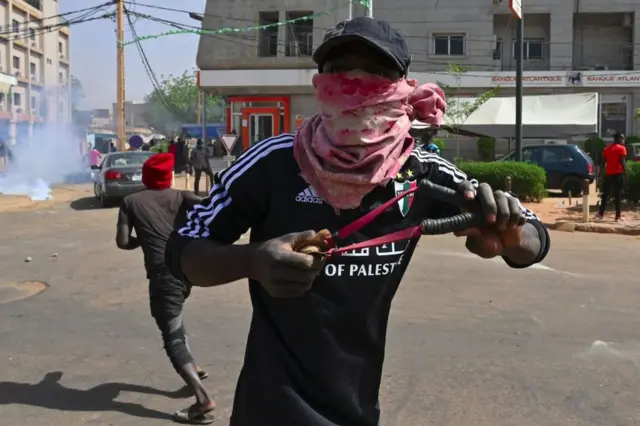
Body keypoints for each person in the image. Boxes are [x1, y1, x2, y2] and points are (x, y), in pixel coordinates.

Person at [165, 17, 550, 426]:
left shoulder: (422, 172)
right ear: (319, 82)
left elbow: (533, 240)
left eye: (376, 73)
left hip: (357, 409)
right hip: (269, 409)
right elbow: (181, 252)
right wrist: (252, 260)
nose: (354, 84)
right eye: (339, 71)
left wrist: (509, 234)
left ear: (404, 88)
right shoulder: (273, 162)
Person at [115, 153, 215, 424]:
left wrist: (144, 241)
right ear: (168, 176)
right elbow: (212, 205)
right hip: (185, 272)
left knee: (172, 339)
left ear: (146, 177)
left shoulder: (130, 202)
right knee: (175, 323)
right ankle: (193, 367)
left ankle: (202, 400)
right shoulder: (182, 197)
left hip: (162, 277)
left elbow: (123, 242)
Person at [596, 132, 627, 221]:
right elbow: (622, 162)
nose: (623, 140)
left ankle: (601, 214)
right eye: (622, 138)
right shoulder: (622, 148)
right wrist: (626, 173)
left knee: (605, 195)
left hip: (608, 174)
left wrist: (599, 174)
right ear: (617, 139)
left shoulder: (607, 149)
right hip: (618, 174)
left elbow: (603, 163)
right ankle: (617, 216)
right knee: (618, 195)